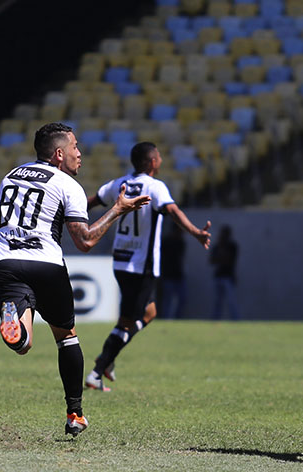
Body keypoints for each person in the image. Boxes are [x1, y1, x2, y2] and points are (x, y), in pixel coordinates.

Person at [0, 122, 150, 437]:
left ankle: (16, 326)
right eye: (76, 147)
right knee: (66, 336)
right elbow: (85, 241)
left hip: (7, 261)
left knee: (23, 345)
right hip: (46, 265)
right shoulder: (67, 185)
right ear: (60, 154)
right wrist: (117, 209)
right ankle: (74, 413)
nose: (81, 154)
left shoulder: (11, 176)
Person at [84, 141, 211, 392]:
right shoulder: (155, 187)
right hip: (141, 265)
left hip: (121, 260)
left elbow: (92, 200)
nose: (161, 159)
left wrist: (67, 214)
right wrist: (196, 232)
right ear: (153, 162)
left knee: (149, 312)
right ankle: (98, 370)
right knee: (127, 321)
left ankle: (107, 359)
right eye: (160, 156)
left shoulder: (118, 183)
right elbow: (172, 211)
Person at [210, 224, 239, 320]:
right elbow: (212, 261)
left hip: (228, 277)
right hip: (218, 276)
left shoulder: (232, 246)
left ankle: (235, 320)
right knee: (217, 301)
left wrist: (222, 251)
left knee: (232, 301)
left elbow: (229, 260)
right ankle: (215, 320)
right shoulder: (217, 246)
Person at [159, 220, 186, 319]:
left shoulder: (181, 243)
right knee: (168, 300)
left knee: (182, 298)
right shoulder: (166, 242)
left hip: (178, 275)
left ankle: (177, 318)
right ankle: (166, 319)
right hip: (168, 275)